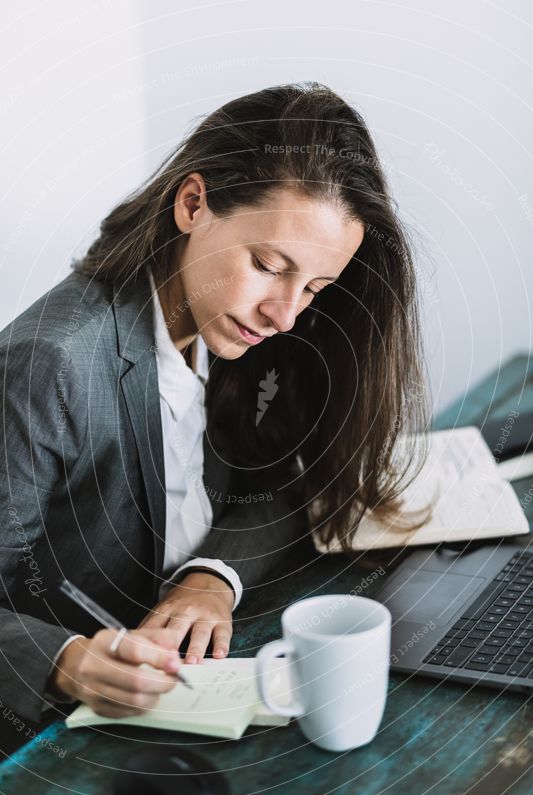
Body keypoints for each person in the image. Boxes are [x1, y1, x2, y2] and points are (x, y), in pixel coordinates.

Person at [0, 81, 431, 732]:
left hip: (190, 688)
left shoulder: (237, 326)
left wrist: (211, 578)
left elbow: (282, 474)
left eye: (314, 286)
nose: (285, 313)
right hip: (49, 737)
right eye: (267, 264)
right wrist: (66, 659)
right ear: (193, 203)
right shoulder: (51, 365)